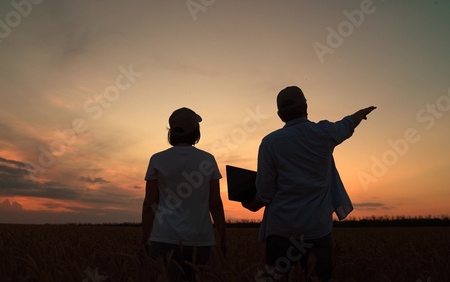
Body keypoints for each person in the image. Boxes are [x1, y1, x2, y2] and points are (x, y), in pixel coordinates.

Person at [242, 86, 376, 281]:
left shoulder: (270, 142)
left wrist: (252, 204)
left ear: (280, 114)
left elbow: (265, 191)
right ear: (305, 106)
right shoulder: (325, 132)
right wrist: (361, 114)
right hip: (318, 229)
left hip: (281, 231)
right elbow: (347, 125)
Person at [141, 107, 227, 282]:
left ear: (171, 133)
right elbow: (215, 204)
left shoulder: (157, 159)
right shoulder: (207, 159)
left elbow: (150, 204)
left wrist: (144, 238)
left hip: (163, 238)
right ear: (196, 132)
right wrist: (223, 238)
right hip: (199, 241)